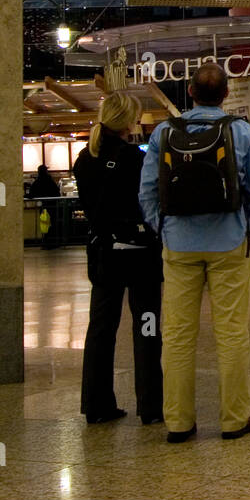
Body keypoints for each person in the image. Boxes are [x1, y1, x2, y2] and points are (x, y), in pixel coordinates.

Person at [139, 62, 250, 444]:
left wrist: (162, 229)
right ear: (226, 94)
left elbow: (147, 191)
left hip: (179, 245)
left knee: (178, 336)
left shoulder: (164, 132)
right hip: (229, 243)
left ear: (191, 93)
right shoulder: (241, 131)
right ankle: (234, 420)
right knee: (232, 333)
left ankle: (178, 423)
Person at [72, 93, 163, 426]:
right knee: (147, 327)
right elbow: (150, 202)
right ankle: (151, 406)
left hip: (103, 254)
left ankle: (96, 404)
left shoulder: (84, 159)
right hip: (140, 254)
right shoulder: (136, 159)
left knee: (101, 329)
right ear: (128, 121)